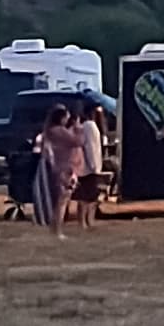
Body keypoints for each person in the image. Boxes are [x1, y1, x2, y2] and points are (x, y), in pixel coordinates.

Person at [35, 103, 82, 239]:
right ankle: (58, 230)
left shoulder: (49, 131)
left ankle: (55, 229)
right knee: (62, 201)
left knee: (59, 201)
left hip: (55, 167)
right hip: (64, 168)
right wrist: (77, 128)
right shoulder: (59, 131)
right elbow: (77, 141)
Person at [66, 98, 106, 230]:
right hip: (89, 166)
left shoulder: (83, 126)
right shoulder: (90, 126)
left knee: (88, 196)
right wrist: (95, 165)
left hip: (84, 166)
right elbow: (92, 147)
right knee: (87, 197)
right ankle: (85, 221)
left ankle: (86, 221)